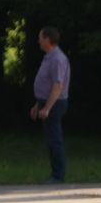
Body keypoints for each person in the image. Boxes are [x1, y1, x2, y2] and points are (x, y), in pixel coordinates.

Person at [31, 26, 70, 183]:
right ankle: (55, 173)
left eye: (40, 37)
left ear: (47, 39)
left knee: (55, 139)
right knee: (51, 139)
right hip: (46, 102)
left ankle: (58, 175)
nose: (38, 40)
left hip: (55, 103)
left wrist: (47, 107)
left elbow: (57, 86)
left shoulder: (58, 59)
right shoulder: (49, 57)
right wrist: (37, 105)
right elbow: (46, 85)